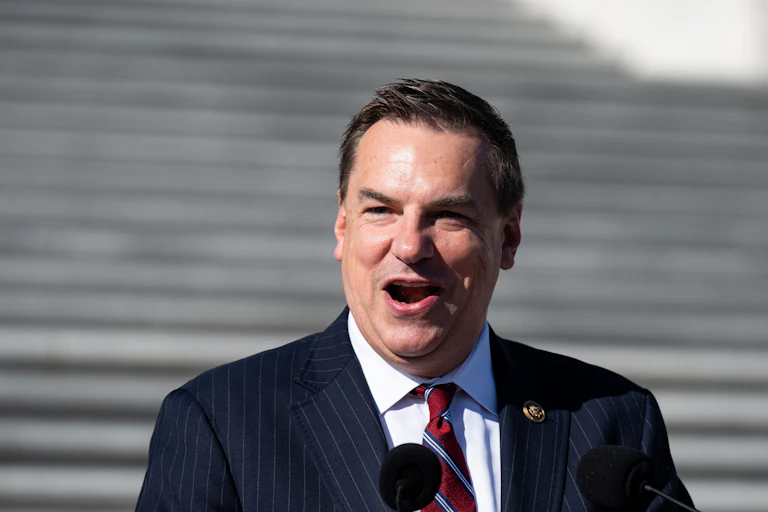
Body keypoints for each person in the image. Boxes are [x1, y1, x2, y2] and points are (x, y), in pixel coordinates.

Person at [136, 79, 693, 512]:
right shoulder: (220, 423)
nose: (409, 245)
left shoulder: (611, 422)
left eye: (448, 215)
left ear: (509, 236)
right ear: (342, 226)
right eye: (380, 210)